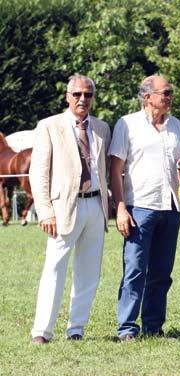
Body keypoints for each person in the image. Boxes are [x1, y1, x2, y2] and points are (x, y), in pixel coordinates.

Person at [29, 75, 111, 344]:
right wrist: (45, 211)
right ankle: (42, 331)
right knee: (54, 268)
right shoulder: (49, 126)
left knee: (88, 272)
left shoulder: (101, 128)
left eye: (88, 95)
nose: (82, 99)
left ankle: (76, 329)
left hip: (96, 205)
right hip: (63, 207)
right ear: (67, 96)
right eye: (77, 94)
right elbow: (38, 173)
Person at [109, 75, 180, 341]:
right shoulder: (126, 125)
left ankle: (153, 327)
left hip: (171, 207)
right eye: (166, 92)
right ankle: (127, 329)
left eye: (170, 92)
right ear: (148, 97)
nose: (170, 97)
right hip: (139, 207)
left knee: (162, 273)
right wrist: (120, 208)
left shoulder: (176, 125)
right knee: (134, 270)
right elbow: (115, 170)